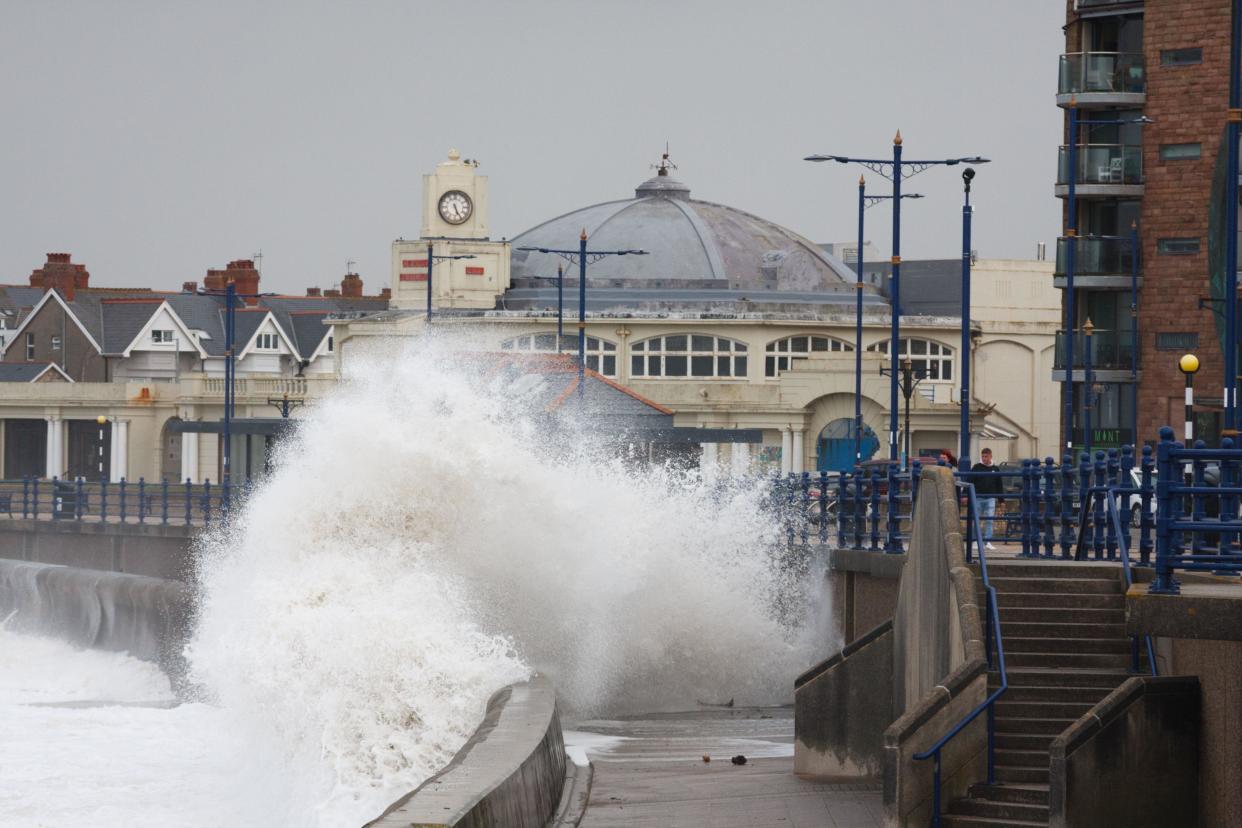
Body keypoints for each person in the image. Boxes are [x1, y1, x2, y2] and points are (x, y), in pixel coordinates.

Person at [971, 448, 1004, 550]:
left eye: (986, 456)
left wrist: (1001, 500)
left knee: (990, 520)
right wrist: (966, 495)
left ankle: (987, 541)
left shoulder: (996, 469)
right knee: (977, 519)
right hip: (978, 497)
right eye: (983, 456)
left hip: (990, 497)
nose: (984, 458)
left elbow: (999, 485)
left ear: (990, 456)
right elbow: (970, 480)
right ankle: (975, 541)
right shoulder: (976, 467)